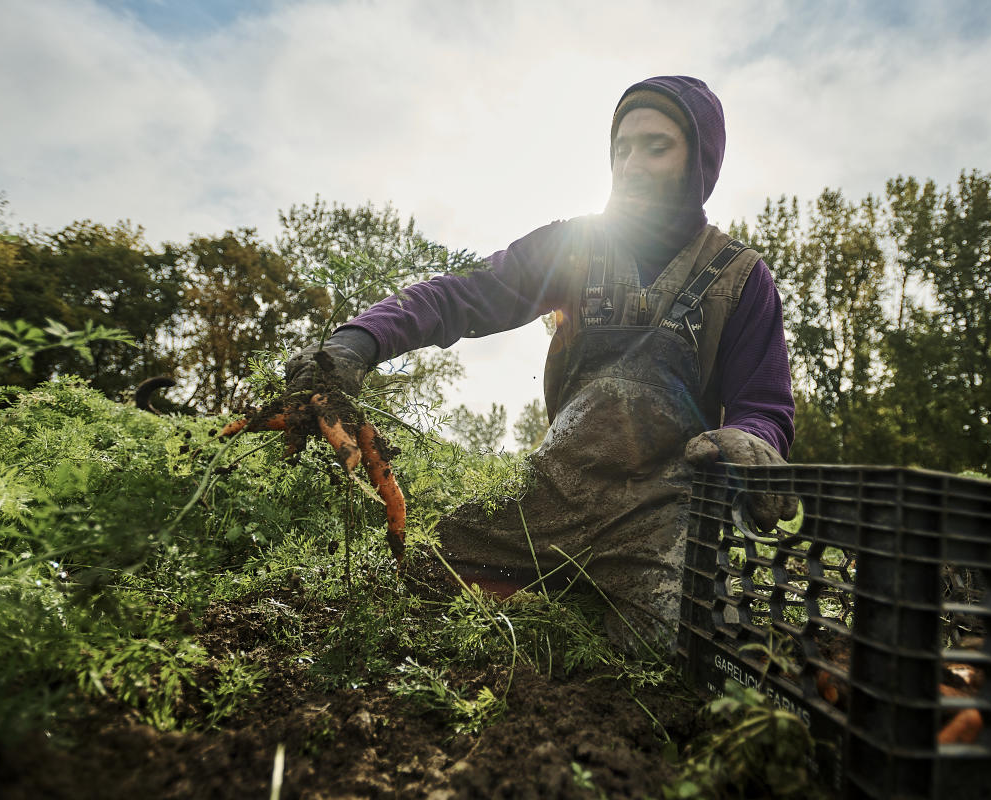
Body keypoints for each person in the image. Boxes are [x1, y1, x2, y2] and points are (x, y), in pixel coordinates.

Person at [288, 76, 797, 650]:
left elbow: (766, 405)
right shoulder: (574, 246)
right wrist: (356, 343)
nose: (631, 163)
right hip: (553, 493)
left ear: (700, 161)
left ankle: (617, 591)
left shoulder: (739, 278)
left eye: (656, 147)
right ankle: (571, 580)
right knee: (425, 580)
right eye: (620, 148)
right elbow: (461, 294)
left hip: (666, 508)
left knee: (667, 644)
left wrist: (752, 440)